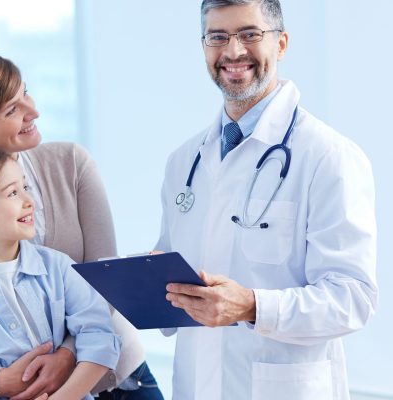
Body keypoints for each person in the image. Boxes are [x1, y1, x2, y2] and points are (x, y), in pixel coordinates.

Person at [0, 52, 164, 400]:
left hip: (115, 381)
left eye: (25, 93)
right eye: (11, 110)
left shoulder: (72, 164)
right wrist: (2, 380)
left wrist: (67, 356)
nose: (33, 111)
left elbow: (105, 285)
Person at [158, 1, 377, 399]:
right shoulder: (184, 162)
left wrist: (252, 306)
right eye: (217, 37)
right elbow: (174, 269)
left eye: (249, 34)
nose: (233, 51)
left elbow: (353, 298)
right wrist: (150, 282)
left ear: (282, 43)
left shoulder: (328, 156)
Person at [0, 148, 121, 400]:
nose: (30, 201)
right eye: (13, 193)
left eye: (25, 187)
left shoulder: (59, 268)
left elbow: (100, 337)